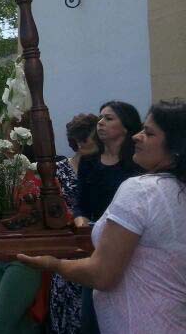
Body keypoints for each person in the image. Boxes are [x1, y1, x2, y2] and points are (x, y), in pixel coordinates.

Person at [18, 99, 186, 333]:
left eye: (148, 133)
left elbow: (102, 274)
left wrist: (52, 263)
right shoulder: (175, 187)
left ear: (175, 145)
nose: (137, 137)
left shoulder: (142, 189)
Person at [73, 101, 141, 333]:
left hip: (132, 248)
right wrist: (80, 219)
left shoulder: (137, 164)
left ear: (126, 126)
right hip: (96, 245)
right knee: (91, 316)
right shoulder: (89, 162)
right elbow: (80, 203)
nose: (100, 123)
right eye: (100, 118)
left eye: (109, 118)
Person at [49, 113, 98, 334]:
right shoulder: (59, 170)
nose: (84, 142)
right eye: (79, 138)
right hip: (67, 249)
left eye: (88, 137)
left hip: (98, 249)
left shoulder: (105, 170)